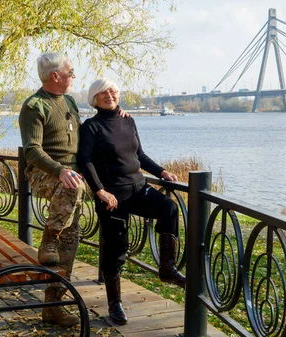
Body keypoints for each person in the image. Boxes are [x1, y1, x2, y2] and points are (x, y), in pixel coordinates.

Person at [77, 78, 186, 325]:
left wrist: (162, 172)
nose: (110, 95)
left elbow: (139, 155)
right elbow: (86, 161)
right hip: (113, 197)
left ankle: (167, 268)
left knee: (169, 208)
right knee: (116, 251)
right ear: (94, 98)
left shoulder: (128, 120)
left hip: (138, 189)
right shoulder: (91, 128)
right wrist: (100, 191)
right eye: (103, 92)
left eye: (113, 91)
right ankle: (115, 304)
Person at [19, 52, 85, 327]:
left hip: (72, 178)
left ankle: (53, 307)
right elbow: (32, 151)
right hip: (44, 173)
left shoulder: (69, 101)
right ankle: (48, 238)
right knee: (71, 188)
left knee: (70, 241)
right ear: (55, 76)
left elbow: (84, 131)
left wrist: (115, 114)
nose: (73, 76)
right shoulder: (34, 106)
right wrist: (60, 171)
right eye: (70, 72)